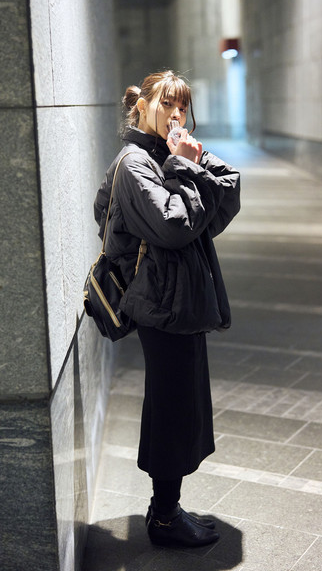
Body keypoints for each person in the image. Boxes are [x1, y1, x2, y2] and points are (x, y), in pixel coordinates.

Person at [94, 70, 240, 547]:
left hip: (179, 300)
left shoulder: (164, 156)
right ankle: (163, 517)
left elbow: (228, 189)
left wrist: (188, 159)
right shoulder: (136, 164)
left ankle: (167, 511)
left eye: (183, 107)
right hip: (161, 304)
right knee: (173, 408)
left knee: (178, 403)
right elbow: (176, 226)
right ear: (141, 106)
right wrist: (184, 168)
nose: (176, 115)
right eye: (167, 104)